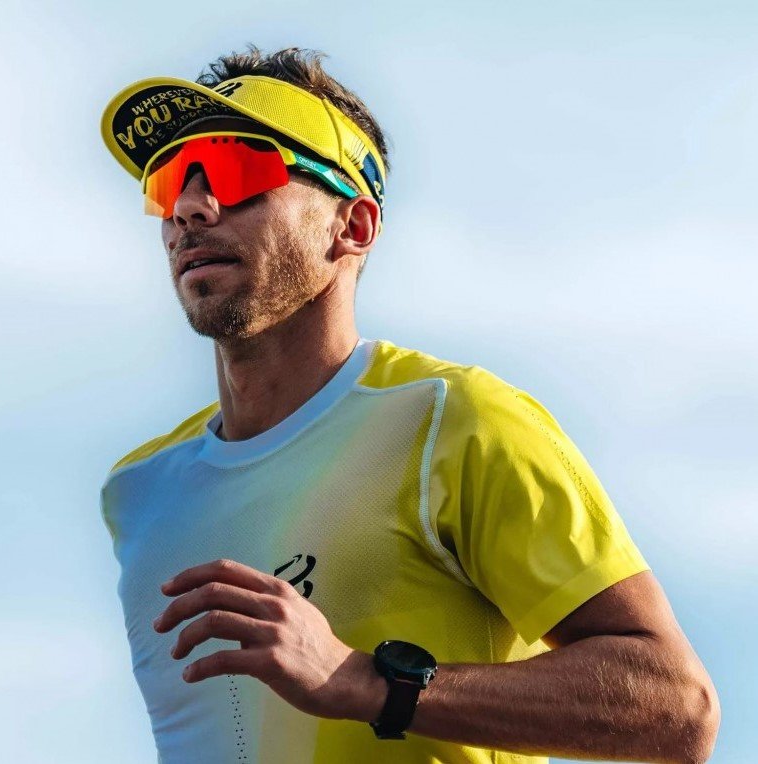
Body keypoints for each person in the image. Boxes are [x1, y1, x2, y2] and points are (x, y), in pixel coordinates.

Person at [99, 46, 720, 764]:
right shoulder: (139, 490)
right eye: (169, 182)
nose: (191, 209)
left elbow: (678, 707)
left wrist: (364, 681)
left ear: (353, 227)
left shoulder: (454, 420)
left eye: (239, 170)